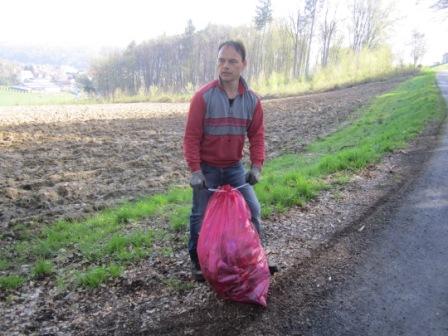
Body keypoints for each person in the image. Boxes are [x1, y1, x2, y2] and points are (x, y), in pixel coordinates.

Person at [183, 40, 277, 281]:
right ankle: (197, 260)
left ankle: (255, 258)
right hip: (208, 169)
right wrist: (195, 170)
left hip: (235, 168)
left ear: (243, 65)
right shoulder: (203, 97)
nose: (225, 66)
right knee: (200, 213)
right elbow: (191, 137)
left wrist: (256, 166)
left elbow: (257, 136)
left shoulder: (252, 101)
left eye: (232, 61)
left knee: (253, 209)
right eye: (221, 61)